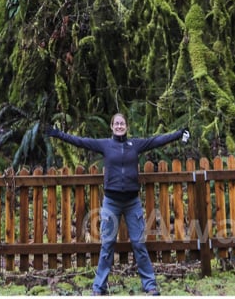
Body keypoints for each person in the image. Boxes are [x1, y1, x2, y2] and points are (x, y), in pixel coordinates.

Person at [46, 112, 190, 296]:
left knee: (139, 243)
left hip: (132, 202)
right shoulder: (105, 145)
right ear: (112, 126)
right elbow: (81, 141)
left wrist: (178, 134)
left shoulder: (135, 145)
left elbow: (157, 140)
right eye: (117, 124)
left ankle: (150, 285)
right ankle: (99, 287)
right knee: (107, 245)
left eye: (122, 124)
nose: (120, 126)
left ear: (127, 127)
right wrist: (58, 134)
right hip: (111, 201)